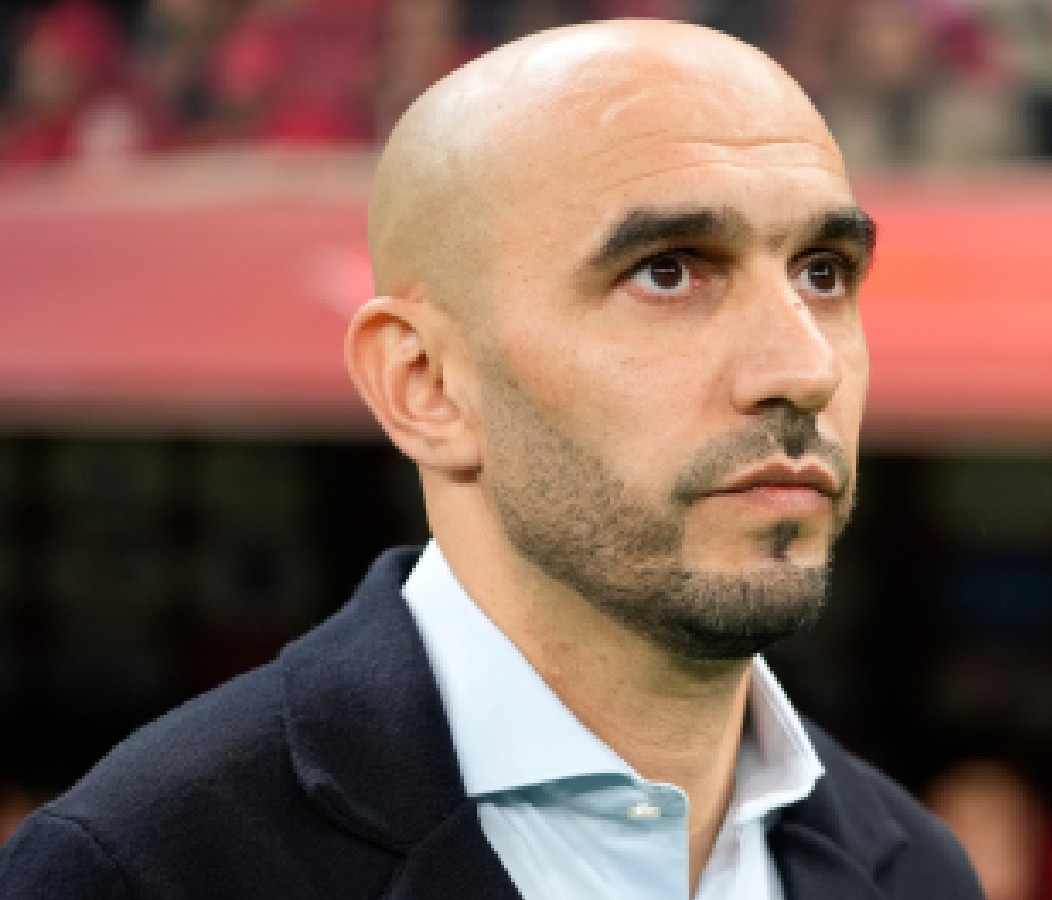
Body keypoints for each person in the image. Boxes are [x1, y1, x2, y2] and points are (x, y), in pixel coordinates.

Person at [0, 19, 983, 900]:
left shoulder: (914, 866)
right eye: (669, 270)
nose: (802, 368)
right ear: (424, 382)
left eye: (824, 272)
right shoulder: (144, 868)